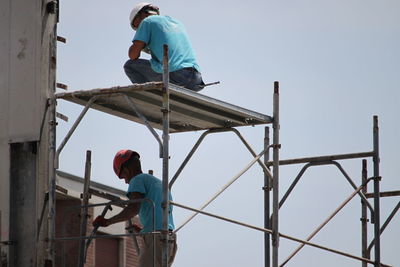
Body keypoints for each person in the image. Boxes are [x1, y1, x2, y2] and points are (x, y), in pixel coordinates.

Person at [92, 149, 177, 266]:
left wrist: (107, 222)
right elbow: (158, 212)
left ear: (127, 170)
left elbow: (133, 208)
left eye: (123, 177)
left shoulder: (137, 180)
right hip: (169, 238)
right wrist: (144, 229)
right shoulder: (158, 183)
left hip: (156, 238)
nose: (126, 182)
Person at [124, 2, 205, 91]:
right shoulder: (177, 23)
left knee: (130, 66)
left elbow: (133, 55)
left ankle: (152, 97)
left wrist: (140, 45)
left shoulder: (147, 21)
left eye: (137, 26)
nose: (138, 30)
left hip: (176, 75)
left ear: (142, 14)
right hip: (196, 80)